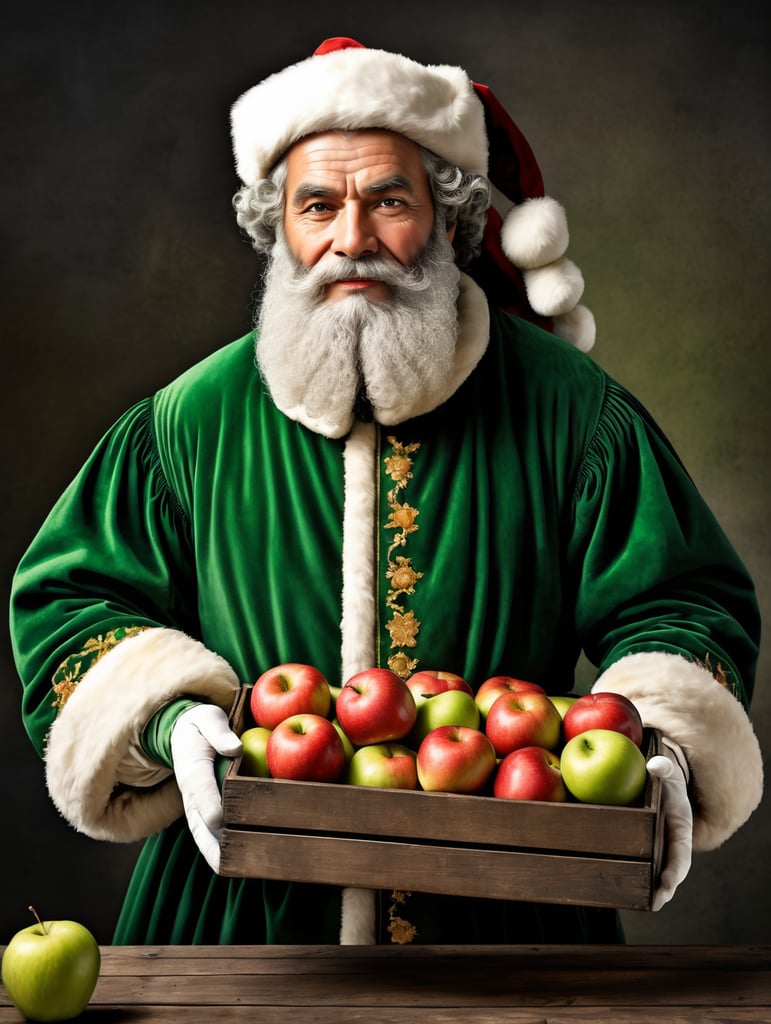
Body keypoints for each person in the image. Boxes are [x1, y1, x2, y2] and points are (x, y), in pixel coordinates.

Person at [10, 37, 763, 946]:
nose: (351, 239)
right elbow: (70, 597)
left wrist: (665, 742)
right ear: (278, 227)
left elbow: (680, 600)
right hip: (233, 911)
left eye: (389, 201)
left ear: (449, 219)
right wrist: (168, 717)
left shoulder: (574, 411)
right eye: (317, 206)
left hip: (510, 910)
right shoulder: (185, 422)